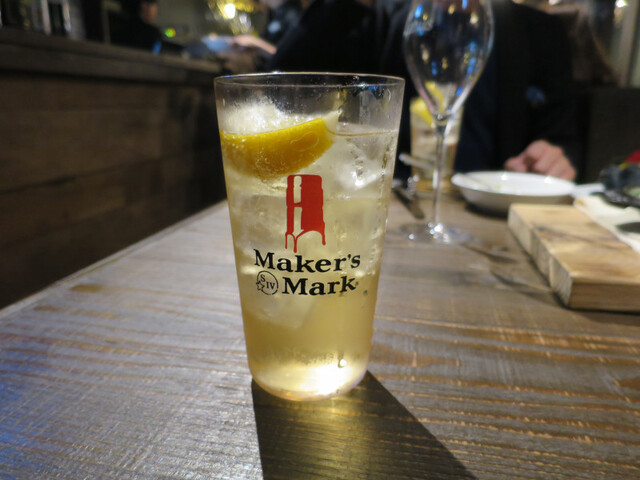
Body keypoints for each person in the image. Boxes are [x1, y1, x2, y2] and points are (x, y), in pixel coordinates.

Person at [268, 0, 581, 181]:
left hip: (495, 217)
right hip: (394, 208)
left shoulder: (541, 33)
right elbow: (285, 80)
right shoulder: (383, 17)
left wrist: (553, 156)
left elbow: (564, 138)